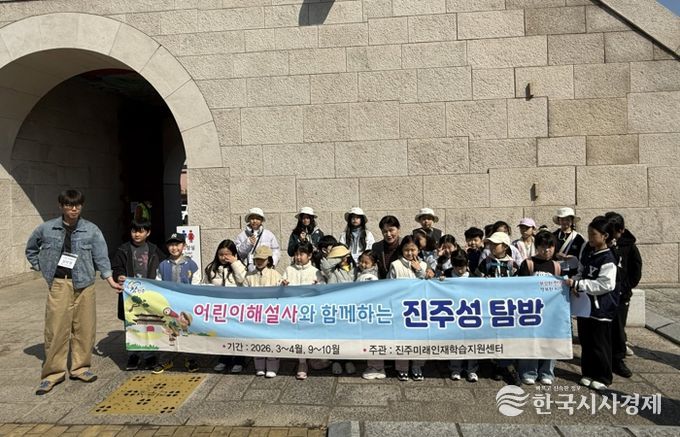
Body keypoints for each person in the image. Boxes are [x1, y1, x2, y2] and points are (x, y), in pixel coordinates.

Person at [26, 189, 122, 395]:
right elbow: (31, 249)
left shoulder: (91, 230)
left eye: (77, 205)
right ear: (61, 206)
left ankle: (80, 368)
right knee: (56, 329)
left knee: (84, 328)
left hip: (85, 284)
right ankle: (53, 374)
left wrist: (110, 280)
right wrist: (41, 267)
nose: (74, 208)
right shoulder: (46, 228)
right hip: (60, 284)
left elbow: (101, 257)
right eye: (69, 205)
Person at [566, 216, 619, 391]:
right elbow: (581, 272)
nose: (589, 237)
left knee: (600, 344)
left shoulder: (608, 258)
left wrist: (579, 284)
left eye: (593, 234)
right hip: (585, 307)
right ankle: (588, 373)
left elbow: (605, 285)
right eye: (589, 233)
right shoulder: (589, 253)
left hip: (600, 309)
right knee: (586, 342)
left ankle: (603, 376)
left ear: (605, 236)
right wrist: (575, 282)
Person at [366, 236, 428, 382]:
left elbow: (427, 284)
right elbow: (390, 285)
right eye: (406, 250)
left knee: (419, 339)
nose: (410, 253)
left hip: (419, 308)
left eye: (413, 249)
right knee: (402, 339)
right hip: (401, 308)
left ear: (418, 250)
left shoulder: (424, 265)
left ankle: (417, 366)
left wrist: (419, 270)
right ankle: (402, 368)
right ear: (402, 251)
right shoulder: (395, 265)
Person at [110, 220, 165, 371]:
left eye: (141, 231)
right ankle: (133, 355)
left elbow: (163, 266)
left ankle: (149, 355)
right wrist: (119, 276)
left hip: (149, 295)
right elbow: (116, 268)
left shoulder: (154, 250)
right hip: (130, 296)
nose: (137, 234)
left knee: (149, 324)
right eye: (134, 231)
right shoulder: (123, 249)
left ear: (148, 233)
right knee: (132, 324)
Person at [516, 230, 562, 385]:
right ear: (537, 247)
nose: (546, 250)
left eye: (550, 247)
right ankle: (528, 372)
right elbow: (520, 287)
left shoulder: (556, 266)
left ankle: (547, 372)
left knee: (550, 340)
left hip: (551, 312)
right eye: (543, 247)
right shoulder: (528, 263)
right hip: (531, 310)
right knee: (531, 340)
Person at [153, 232, 202, 374]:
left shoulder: (191, 264)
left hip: (186, 305)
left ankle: (190, 359)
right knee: (167, 332)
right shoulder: (163, 265)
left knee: (187, 332)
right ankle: (165, 360)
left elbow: (196, 284)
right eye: (171, 245)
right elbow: (158, 283)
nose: (174, 248)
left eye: (177, 244)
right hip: (168, 305)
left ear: (184, 246)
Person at [605, 211, 642, 378]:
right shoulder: (602, 243)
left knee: (619, 328)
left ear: (621, 230)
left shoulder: (629, 246)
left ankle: (618, 359)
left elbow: (636, 271)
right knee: (604, 328)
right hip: (604, 294)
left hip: (621, 295)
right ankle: (605, 358)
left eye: (612, 231)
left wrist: (624, 287)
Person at [203, 239, 248, 374]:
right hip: (219, 308)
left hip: (236, 307)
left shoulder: (240, 266)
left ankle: (239, 360)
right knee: (222, 334)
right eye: (221, 254)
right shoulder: (211, 268)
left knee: (237, 334)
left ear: (234, 254)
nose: (223, 257)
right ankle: (224, 359)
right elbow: (205, 286)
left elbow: (243, 281)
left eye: (227, 254)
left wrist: (235, 263)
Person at [282, 241, 325, 380]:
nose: (298, 257)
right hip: (293, 310)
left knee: (309, 335)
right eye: (296, 254)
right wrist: (283, 285)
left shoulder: (315, 271)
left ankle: (315, 358)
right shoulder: (289, 269)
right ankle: (302, 363)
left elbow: (323, 288)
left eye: (302, 254)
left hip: (309, 311)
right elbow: (281, 284)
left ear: (310, 255)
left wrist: (318, 286)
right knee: (298, 335)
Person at [245, 246, 282, 377]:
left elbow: (280, 292)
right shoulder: (249, 276)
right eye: (257, 259)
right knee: (256, 339)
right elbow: (244, 293)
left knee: (271, 339)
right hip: (255, 313)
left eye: (262, 259)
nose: (259, 262)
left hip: (270, 312)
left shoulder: (275, 274)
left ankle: (272, 366)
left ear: (269, 260)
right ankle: (259, 365)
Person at [320, 244, 357, 375]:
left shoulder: (355, 269)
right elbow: (325, 266)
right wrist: (339, 258)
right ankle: (335, 360)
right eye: (338, 256)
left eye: (343, 256)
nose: (342, 259)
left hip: (351, 308)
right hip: (334, 308)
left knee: (348, 336)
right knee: (335, 336)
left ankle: (348, 360)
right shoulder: (332, 271)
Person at [443, 249, 477, 382]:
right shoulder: (447, 274)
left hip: (469, 314)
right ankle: (455, 368)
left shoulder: (473, 277)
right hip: (452, 314)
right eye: (456, 267)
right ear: (452, 264)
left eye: (462, 267)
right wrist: (440, 281)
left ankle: (471, 370)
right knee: (455, 341)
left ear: (467, 264)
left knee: (471, 342)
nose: (460, 270)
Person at [235, 207, 281, 272]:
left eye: (257, 219)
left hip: (265, 268)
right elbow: (238, 254)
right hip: (247, 270)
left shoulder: (269, 235)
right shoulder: (242, 235)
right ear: (248, 220)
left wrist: (272, 264)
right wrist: (247, 243)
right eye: (252, 218)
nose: (255, 221)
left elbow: (275, 250)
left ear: (261, 220)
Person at [552, 207, 586, 277]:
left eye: (567, 219)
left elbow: (583, 256)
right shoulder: (553, 236)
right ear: (559, 220)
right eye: (562, 219)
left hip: (572, 273)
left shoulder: (578, 238)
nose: (565, 222)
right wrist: (555, 255)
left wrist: (573, 258)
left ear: (572, 221)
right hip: (555, 271)